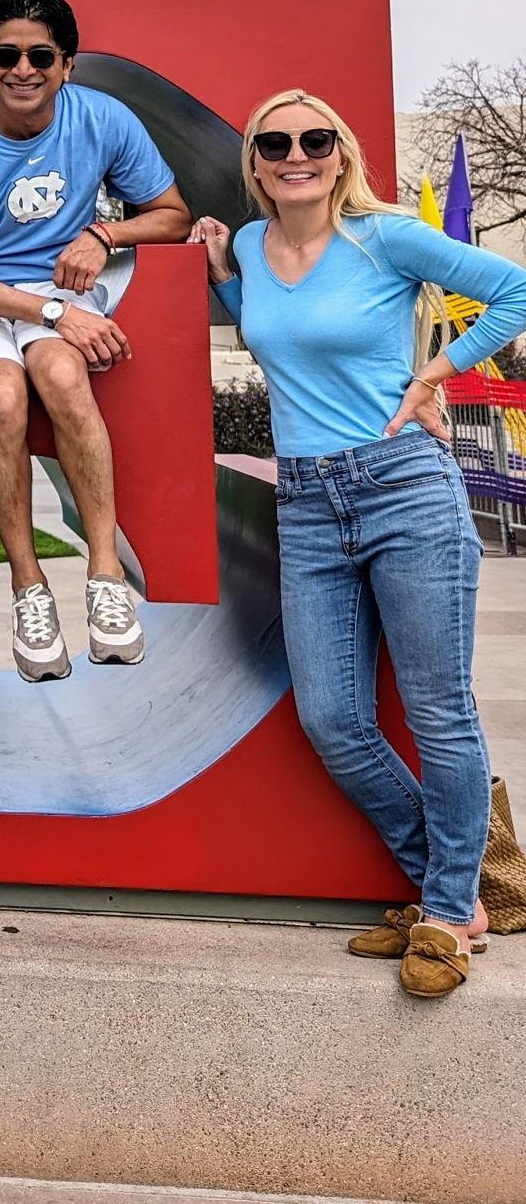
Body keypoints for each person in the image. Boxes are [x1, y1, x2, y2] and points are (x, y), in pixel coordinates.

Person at [191, 90, 526, 998]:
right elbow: (270, 333)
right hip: (305, 503)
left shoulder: (385, 238)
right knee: (332, 718)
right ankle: (463, 883)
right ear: (257, 162)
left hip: (403, 488)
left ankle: (449, 913)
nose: (296, 153)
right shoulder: (255, 250)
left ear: (341, 154)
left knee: (437, 711)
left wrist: (435, 373)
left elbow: (514, 290)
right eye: (276, 142)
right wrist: (223, 267)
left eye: (315, 139)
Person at [0, 0, 191, 680]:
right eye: (6, 55)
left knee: (65, 377)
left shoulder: (101, 120)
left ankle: (105, 577)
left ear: (67, 65)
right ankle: (28, 588)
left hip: (59, 291)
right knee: (4, 399)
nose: (23, 69)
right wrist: (52, 315)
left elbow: (170, 215)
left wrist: (104, 233)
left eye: (40, 56)